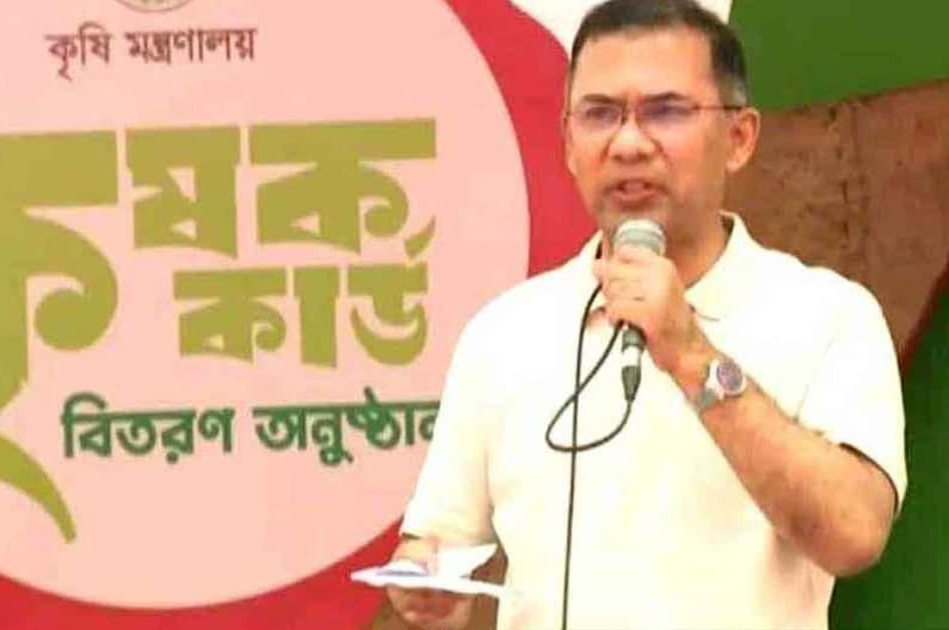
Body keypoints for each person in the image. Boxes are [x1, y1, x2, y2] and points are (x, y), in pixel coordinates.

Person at [386, 0, 908, 628]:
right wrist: (425, 581)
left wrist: (690, 353)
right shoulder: (504, 333)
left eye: (666, 111)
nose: (628, 143)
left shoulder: (829, 316)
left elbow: (855, 535)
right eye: (600, 114)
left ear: (739, 138)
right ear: (569, 143)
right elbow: (437, 539)